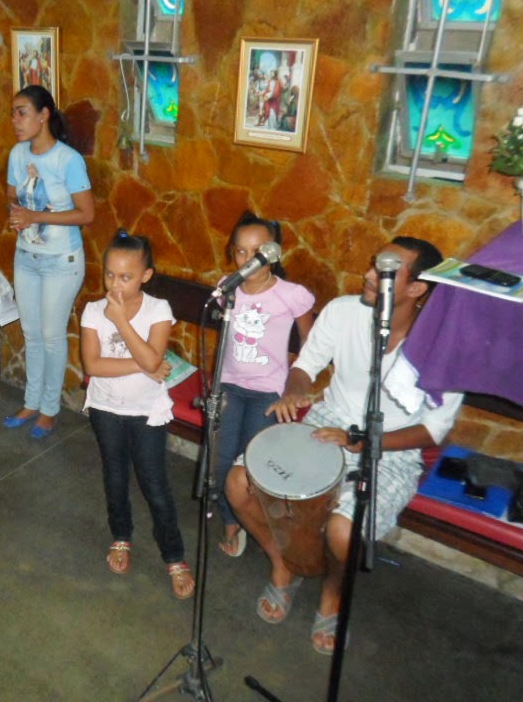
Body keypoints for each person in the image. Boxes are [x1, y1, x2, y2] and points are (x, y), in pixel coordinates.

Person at [225, 236, 463, 655]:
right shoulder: (342, 311)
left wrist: (364, 441)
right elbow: (306, 366)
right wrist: (294, 391)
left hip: (392, 448)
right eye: (373, 264)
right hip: (328, 420)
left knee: (343, 529)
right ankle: (283, 565)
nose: (368, 275)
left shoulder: (443, 345)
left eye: (385, 272)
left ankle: (332, 595)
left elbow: (434, 430)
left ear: (416, 288)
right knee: (238, 482)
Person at [80, 230, 195, 600]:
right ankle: (121, 536)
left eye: (126, 277)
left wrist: (122, 322)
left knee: (154, 484)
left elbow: (153, 357)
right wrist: (144, 365)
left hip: (146, 412)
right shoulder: (92, 311)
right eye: (110, 275)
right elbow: (93, 366)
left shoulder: (158, 310)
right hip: (105, 409)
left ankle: (174, 556)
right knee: (115, 477)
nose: (116, 284)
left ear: (146, 275)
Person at [215, 211, 315, 558]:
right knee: (220, 459)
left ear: (274, 254)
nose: (249, 260)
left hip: (268, 391)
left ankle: (254, 518)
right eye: (241, 251)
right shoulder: (228, 287)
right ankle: (231, 522)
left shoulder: (291, 294)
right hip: (229, 385)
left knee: (250, 461)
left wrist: (297, 385)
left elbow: (310, 343)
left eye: (258, 252)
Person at [4, 84, 94, 439]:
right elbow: (12, 196)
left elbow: (86, 214)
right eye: (13, 113)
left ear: (44, 115)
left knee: (52, 336)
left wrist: (36, 216)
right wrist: (16, 215)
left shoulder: (68, 160)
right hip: (26, 256)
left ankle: (49, 410)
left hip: (62, 260)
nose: (15, 120)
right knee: (31, 333)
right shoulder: (17, 154)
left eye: (22, 112)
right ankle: (31, 402)